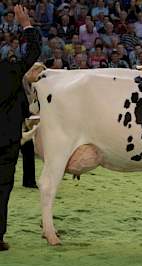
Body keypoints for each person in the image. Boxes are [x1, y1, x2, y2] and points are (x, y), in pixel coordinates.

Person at [0, 5, 41, 251]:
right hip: (7, 140)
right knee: (2, 189)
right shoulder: (13, 71)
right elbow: (34, 50)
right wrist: (26, 24)